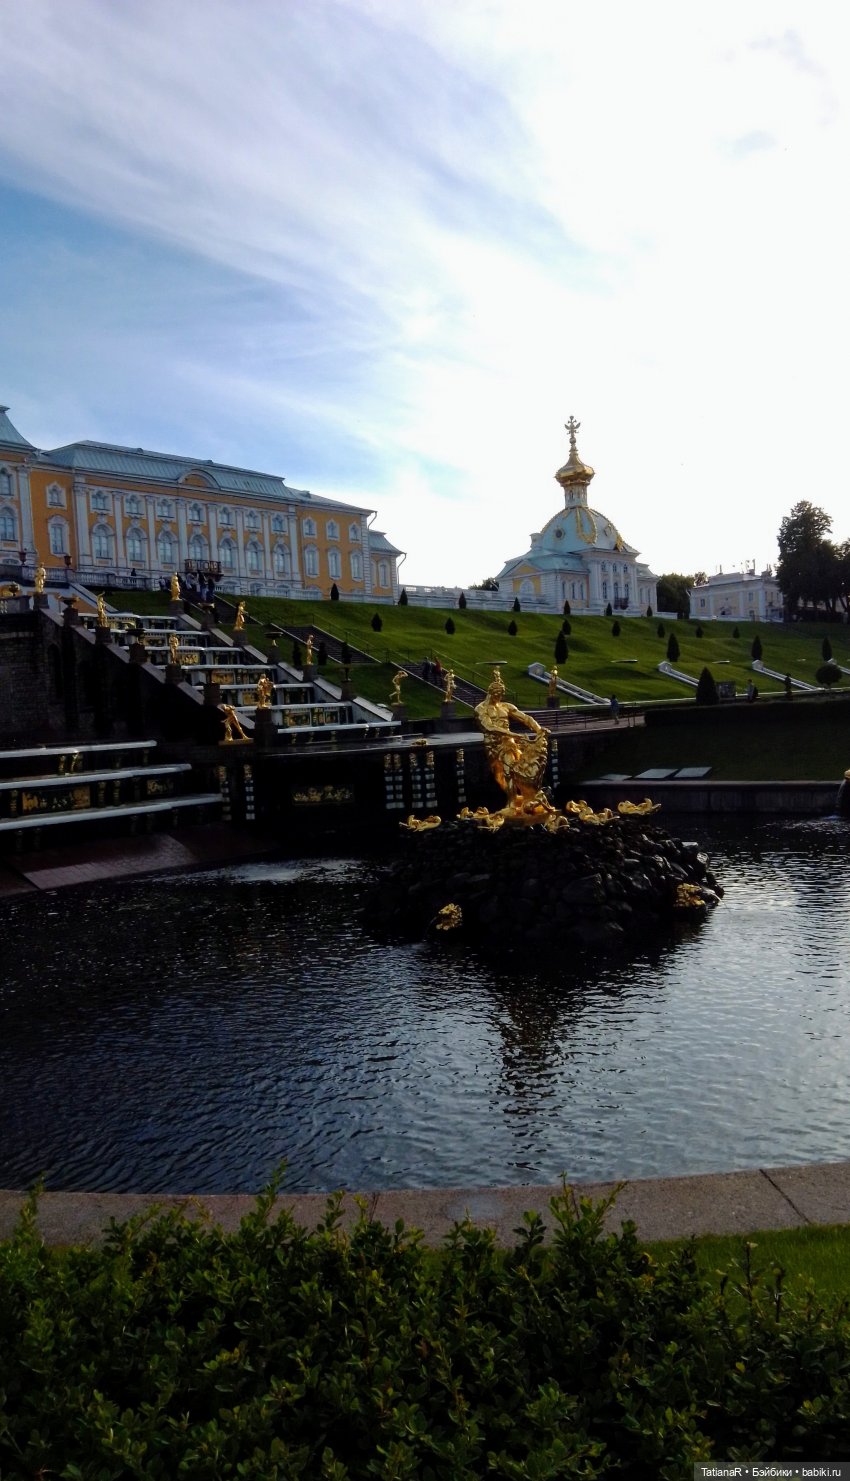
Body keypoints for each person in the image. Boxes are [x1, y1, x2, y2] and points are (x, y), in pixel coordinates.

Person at [474, 668, 549, 815]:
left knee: (514, 770)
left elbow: (526, 718)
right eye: (498, 694)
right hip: (493, 745)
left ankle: (516, 802)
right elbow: (489, 727)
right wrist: (512, 733)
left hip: (510, 743)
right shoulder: (480, 709)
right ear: (491, 693)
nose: (500, 697)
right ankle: (516, 799)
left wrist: (539, 729)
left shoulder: (505, 707)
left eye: (501, 694)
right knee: (500, 776)